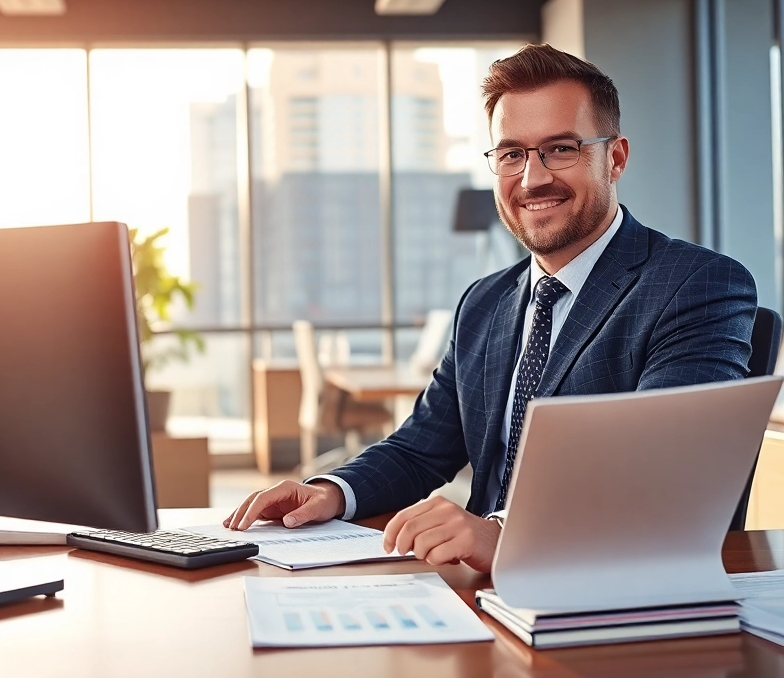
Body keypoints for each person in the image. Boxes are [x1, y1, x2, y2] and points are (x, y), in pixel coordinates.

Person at [224, 44, 757, 572]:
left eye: (561, 149)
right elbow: (421, 449)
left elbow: (663, 474)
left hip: (610, 592)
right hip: (479, 592)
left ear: (613, 158)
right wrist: (331, 492)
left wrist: (501, 535)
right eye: (511, 154)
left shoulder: (696, 286)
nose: (532, 178)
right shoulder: (484, 302)